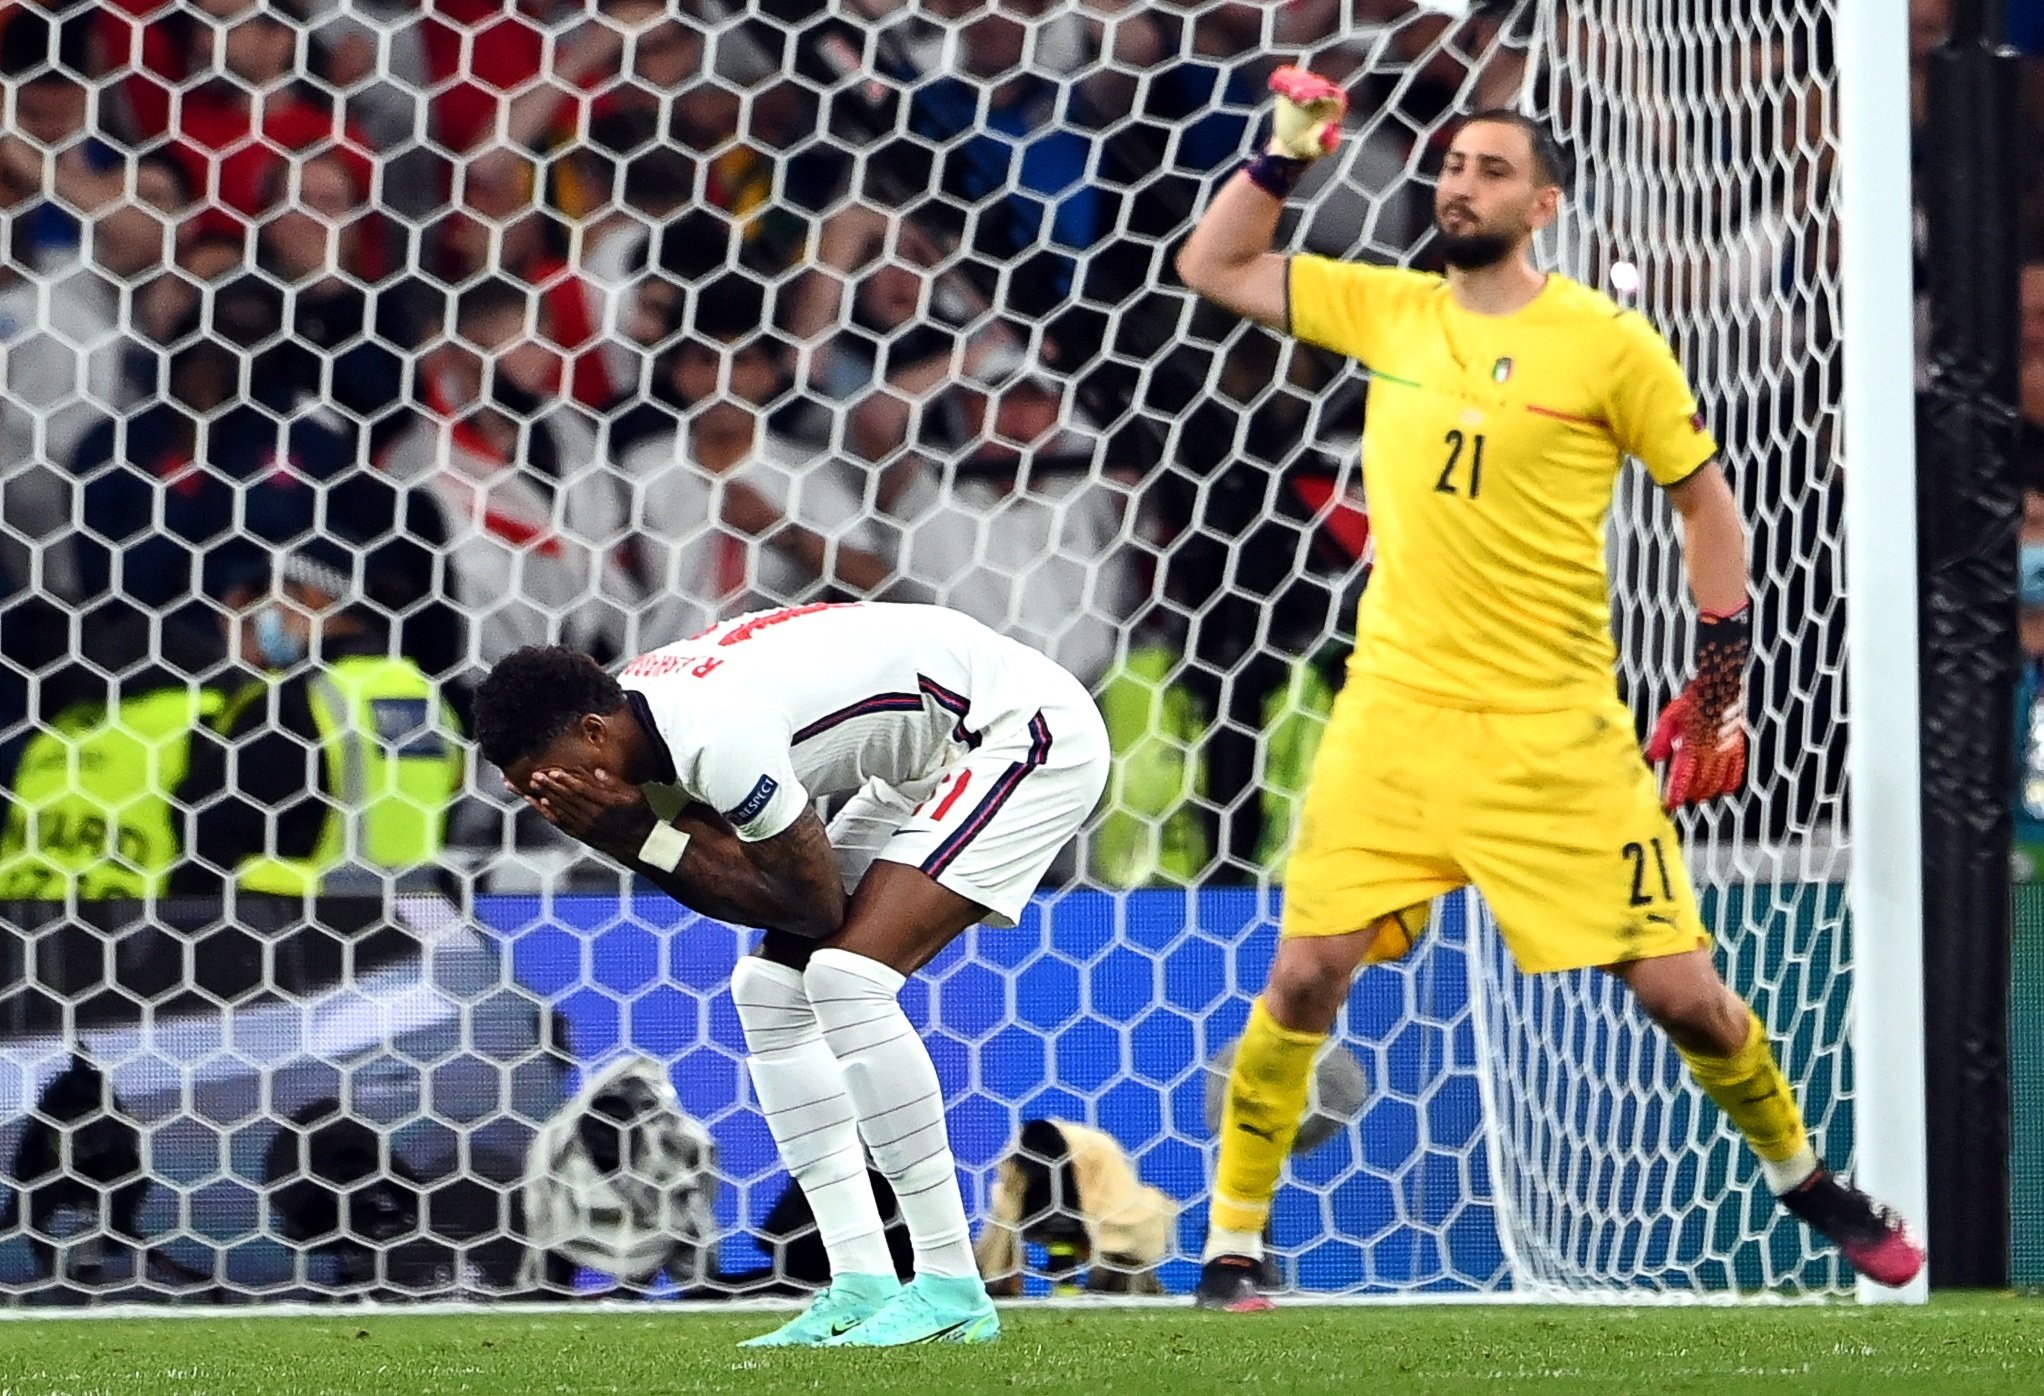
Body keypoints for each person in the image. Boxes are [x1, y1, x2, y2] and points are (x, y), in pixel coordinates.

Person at [1172, 71, 1925, 1308]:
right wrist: (1285, 152)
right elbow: (1217, 264)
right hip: (1396, 715)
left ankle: (1807, 1182)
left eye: (1490, 170)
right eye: (1451, 165)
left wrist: (1719, 685)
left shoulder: (1608, 344)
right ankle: (1232, 1245)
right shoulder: (1388, 307)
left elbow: (1705, 505)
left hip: (1555, 731)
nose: (1459, 184)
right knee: (1306, 974)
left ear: (1545, 204)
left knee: (1686, 1000)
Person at [471, 600, 1111, 1346]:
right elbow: (724, 871)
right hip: (927, 756)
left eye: (561, 782)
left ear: (592, 732)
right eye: (542, 795)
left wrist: (635, 836)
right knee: (769, 993)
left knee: (846, 978)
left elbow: (810, 907)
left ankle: (948, 1285)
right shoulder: (635, 732)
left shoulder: (714, 734)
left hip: (1021, 732)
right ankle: (861, 1282)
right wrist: (635, 838)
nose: (561, 802)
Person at [172, 537, 463, 897]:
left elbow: (210, 835)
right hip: (411, 930)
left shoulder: (297, 700)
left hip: (302, 929)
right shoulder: (426, 697)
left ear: (311, 595)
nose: (240, 613)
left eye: (258, 595)